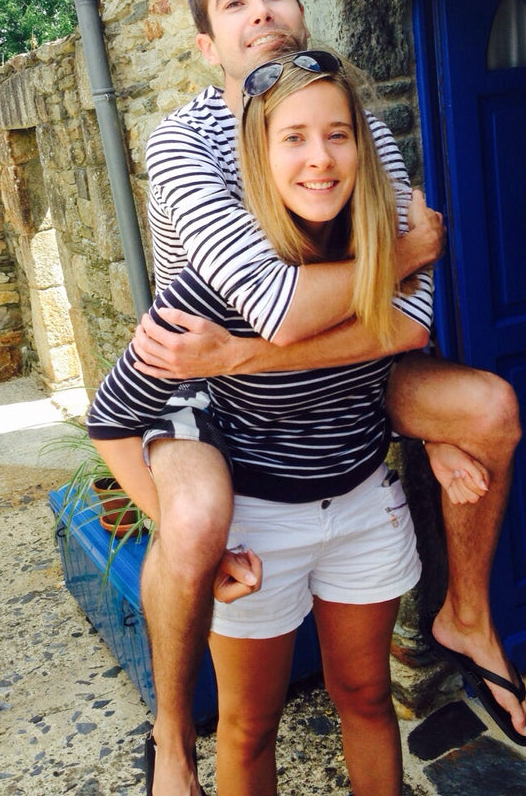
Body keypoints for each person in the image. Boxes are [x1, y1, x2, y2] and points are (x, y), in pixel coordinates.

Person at [105, 0, 526, 794]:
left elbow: (407, 326)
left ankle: (468, 616)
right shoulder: (186, 146)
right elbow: (277, 306)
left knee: (486, 410)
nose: (261, 12)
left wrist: (411, 414)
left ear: (300, 11)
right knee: (206, 555)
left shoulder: (361, 131)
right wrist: (400, 255)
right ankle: (170, 739)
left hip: (334, 406)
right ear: (207, 45)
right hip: (220, 410)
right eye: (235, 3)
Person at [88, 49, 445, 795]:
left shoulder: (388, 253)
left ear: (363, 147)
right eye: (294, 138)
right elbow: (114, 422)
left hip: (361, 507)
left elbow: (409, 344)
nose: (320, 159)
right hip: (257, 524)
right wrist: (194, 542)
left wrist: (443, 437)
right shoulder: (216, 286)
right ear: (258, 155)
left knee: (368, 698)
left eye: (338, 135)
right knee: (251, 726)